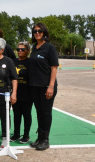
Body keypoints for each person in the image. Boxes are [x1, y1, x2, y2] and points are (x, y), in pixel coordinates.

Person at [29, 23, 58, 151]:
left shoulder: (49, 47)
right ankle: (40, 137)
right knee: (39, 113)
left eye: (40, 31)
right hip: (35, 86)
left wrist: (50, 86)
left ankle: (45, 140)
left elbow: (54, 68)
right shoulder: (34, 48)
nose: (37, 33)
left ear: (44, 32)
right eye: (35, 31)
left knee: (46, 113)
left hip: (47, 86)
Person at [10, 41, 32, 144]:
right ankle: (16, 134)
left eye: (22, 49)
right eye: (18, 49)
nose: (19, 51)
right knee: (16, 114)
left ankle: (26, 135)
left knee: (27, 115)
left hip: (27, 93)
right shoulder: (13, 61)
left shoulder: (30, 62)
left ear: (27, 51)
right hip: (15, 93)